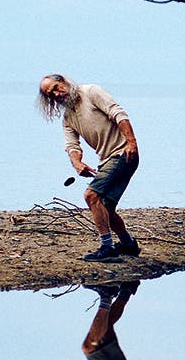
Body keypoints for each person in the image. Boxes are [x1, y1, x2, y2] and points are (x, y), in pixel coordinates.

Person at [38, 73, 140, 261]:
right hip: (106, 159)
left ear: (63, 81)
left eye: (55, 88)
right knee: (106, 208)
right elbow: (72, 146)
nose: (56, 94)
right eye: (50, 95)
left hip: (123, 153)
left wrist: (131, 142)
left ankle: (107, 247)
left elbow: (118, 113)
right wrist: (77, 163)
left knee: (91, 196)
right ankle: (128, 244)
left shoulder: (91, 91)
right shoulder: (68, 117)